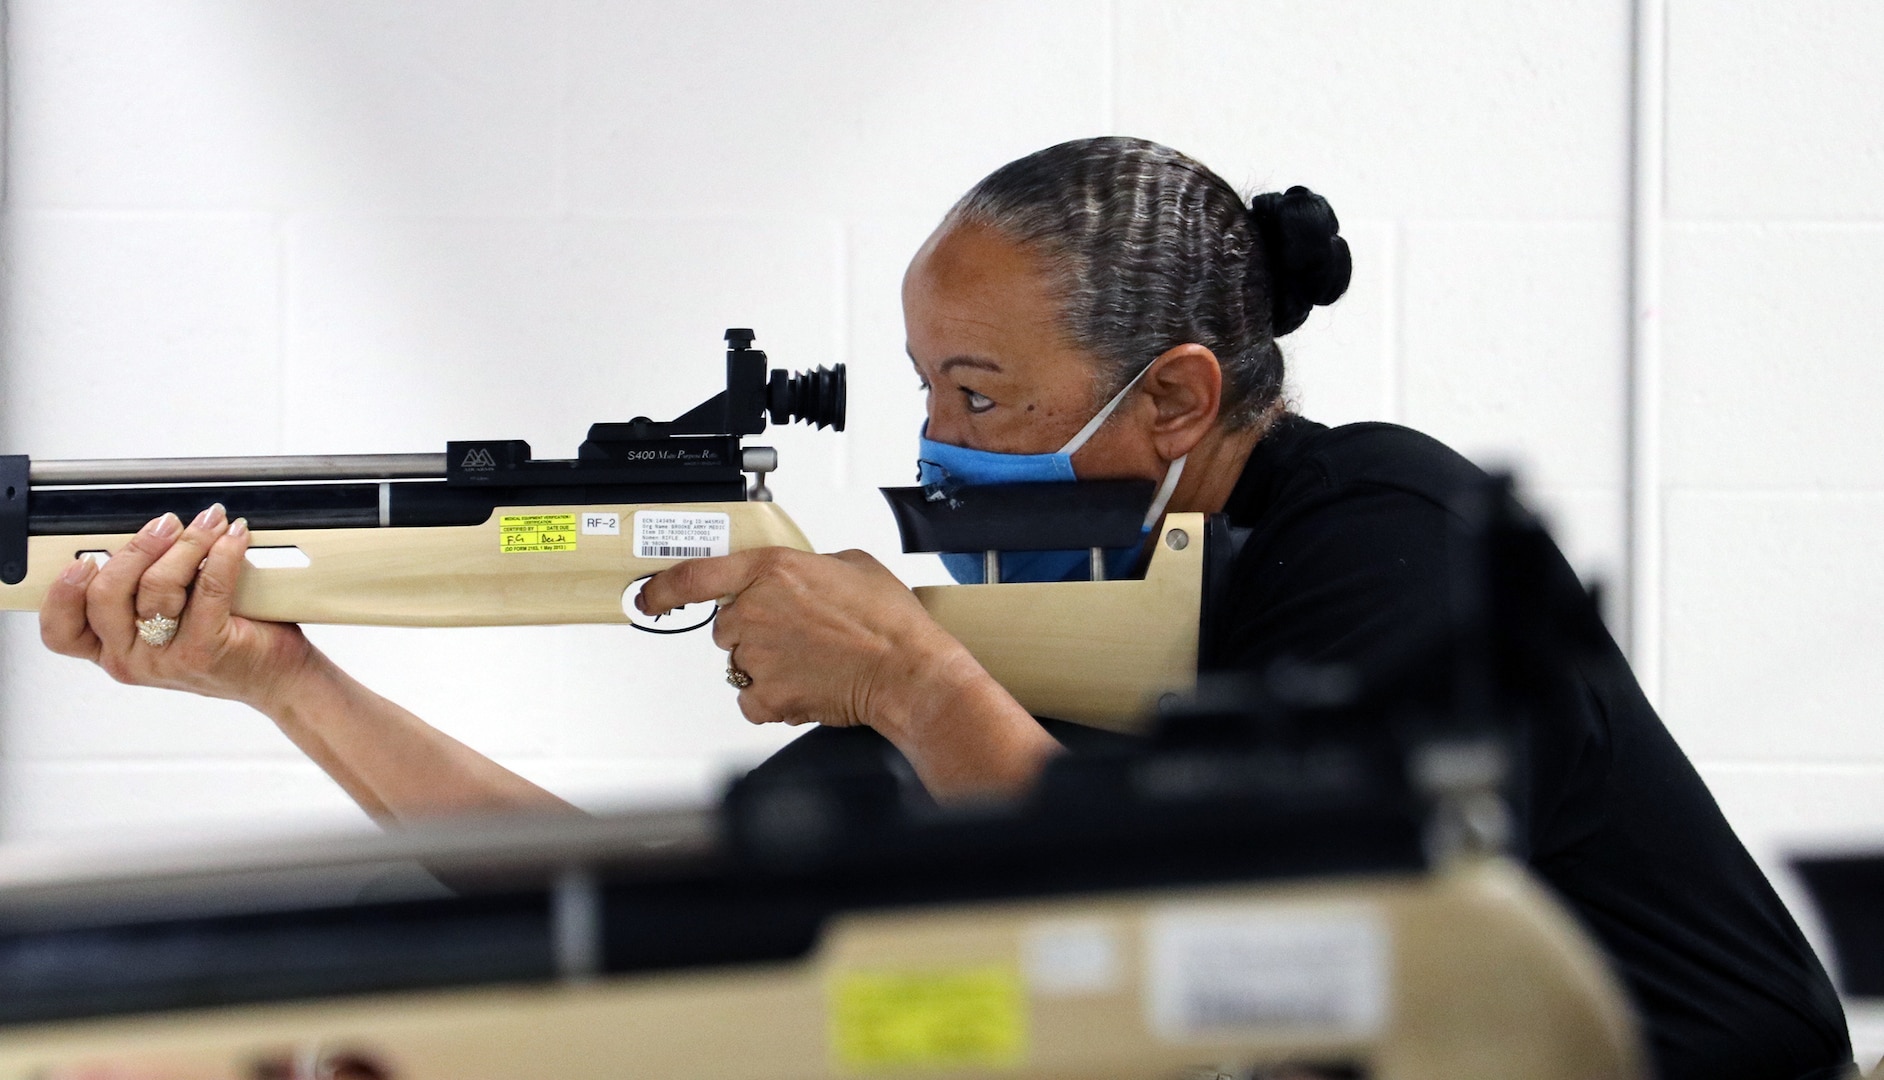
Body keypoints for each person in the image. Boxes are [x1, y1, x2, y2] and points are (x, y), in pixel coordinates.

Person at [38, 137, 1850, 1079]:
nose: (930, 446)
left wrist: (907, 678)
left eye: (979, 395)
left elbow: (1282, 933)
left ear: (1177, 399)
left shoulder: (1387, 538)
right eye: (922, 391)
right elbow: (662, 930)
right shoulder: (1062, 618)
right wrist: (290, 684)